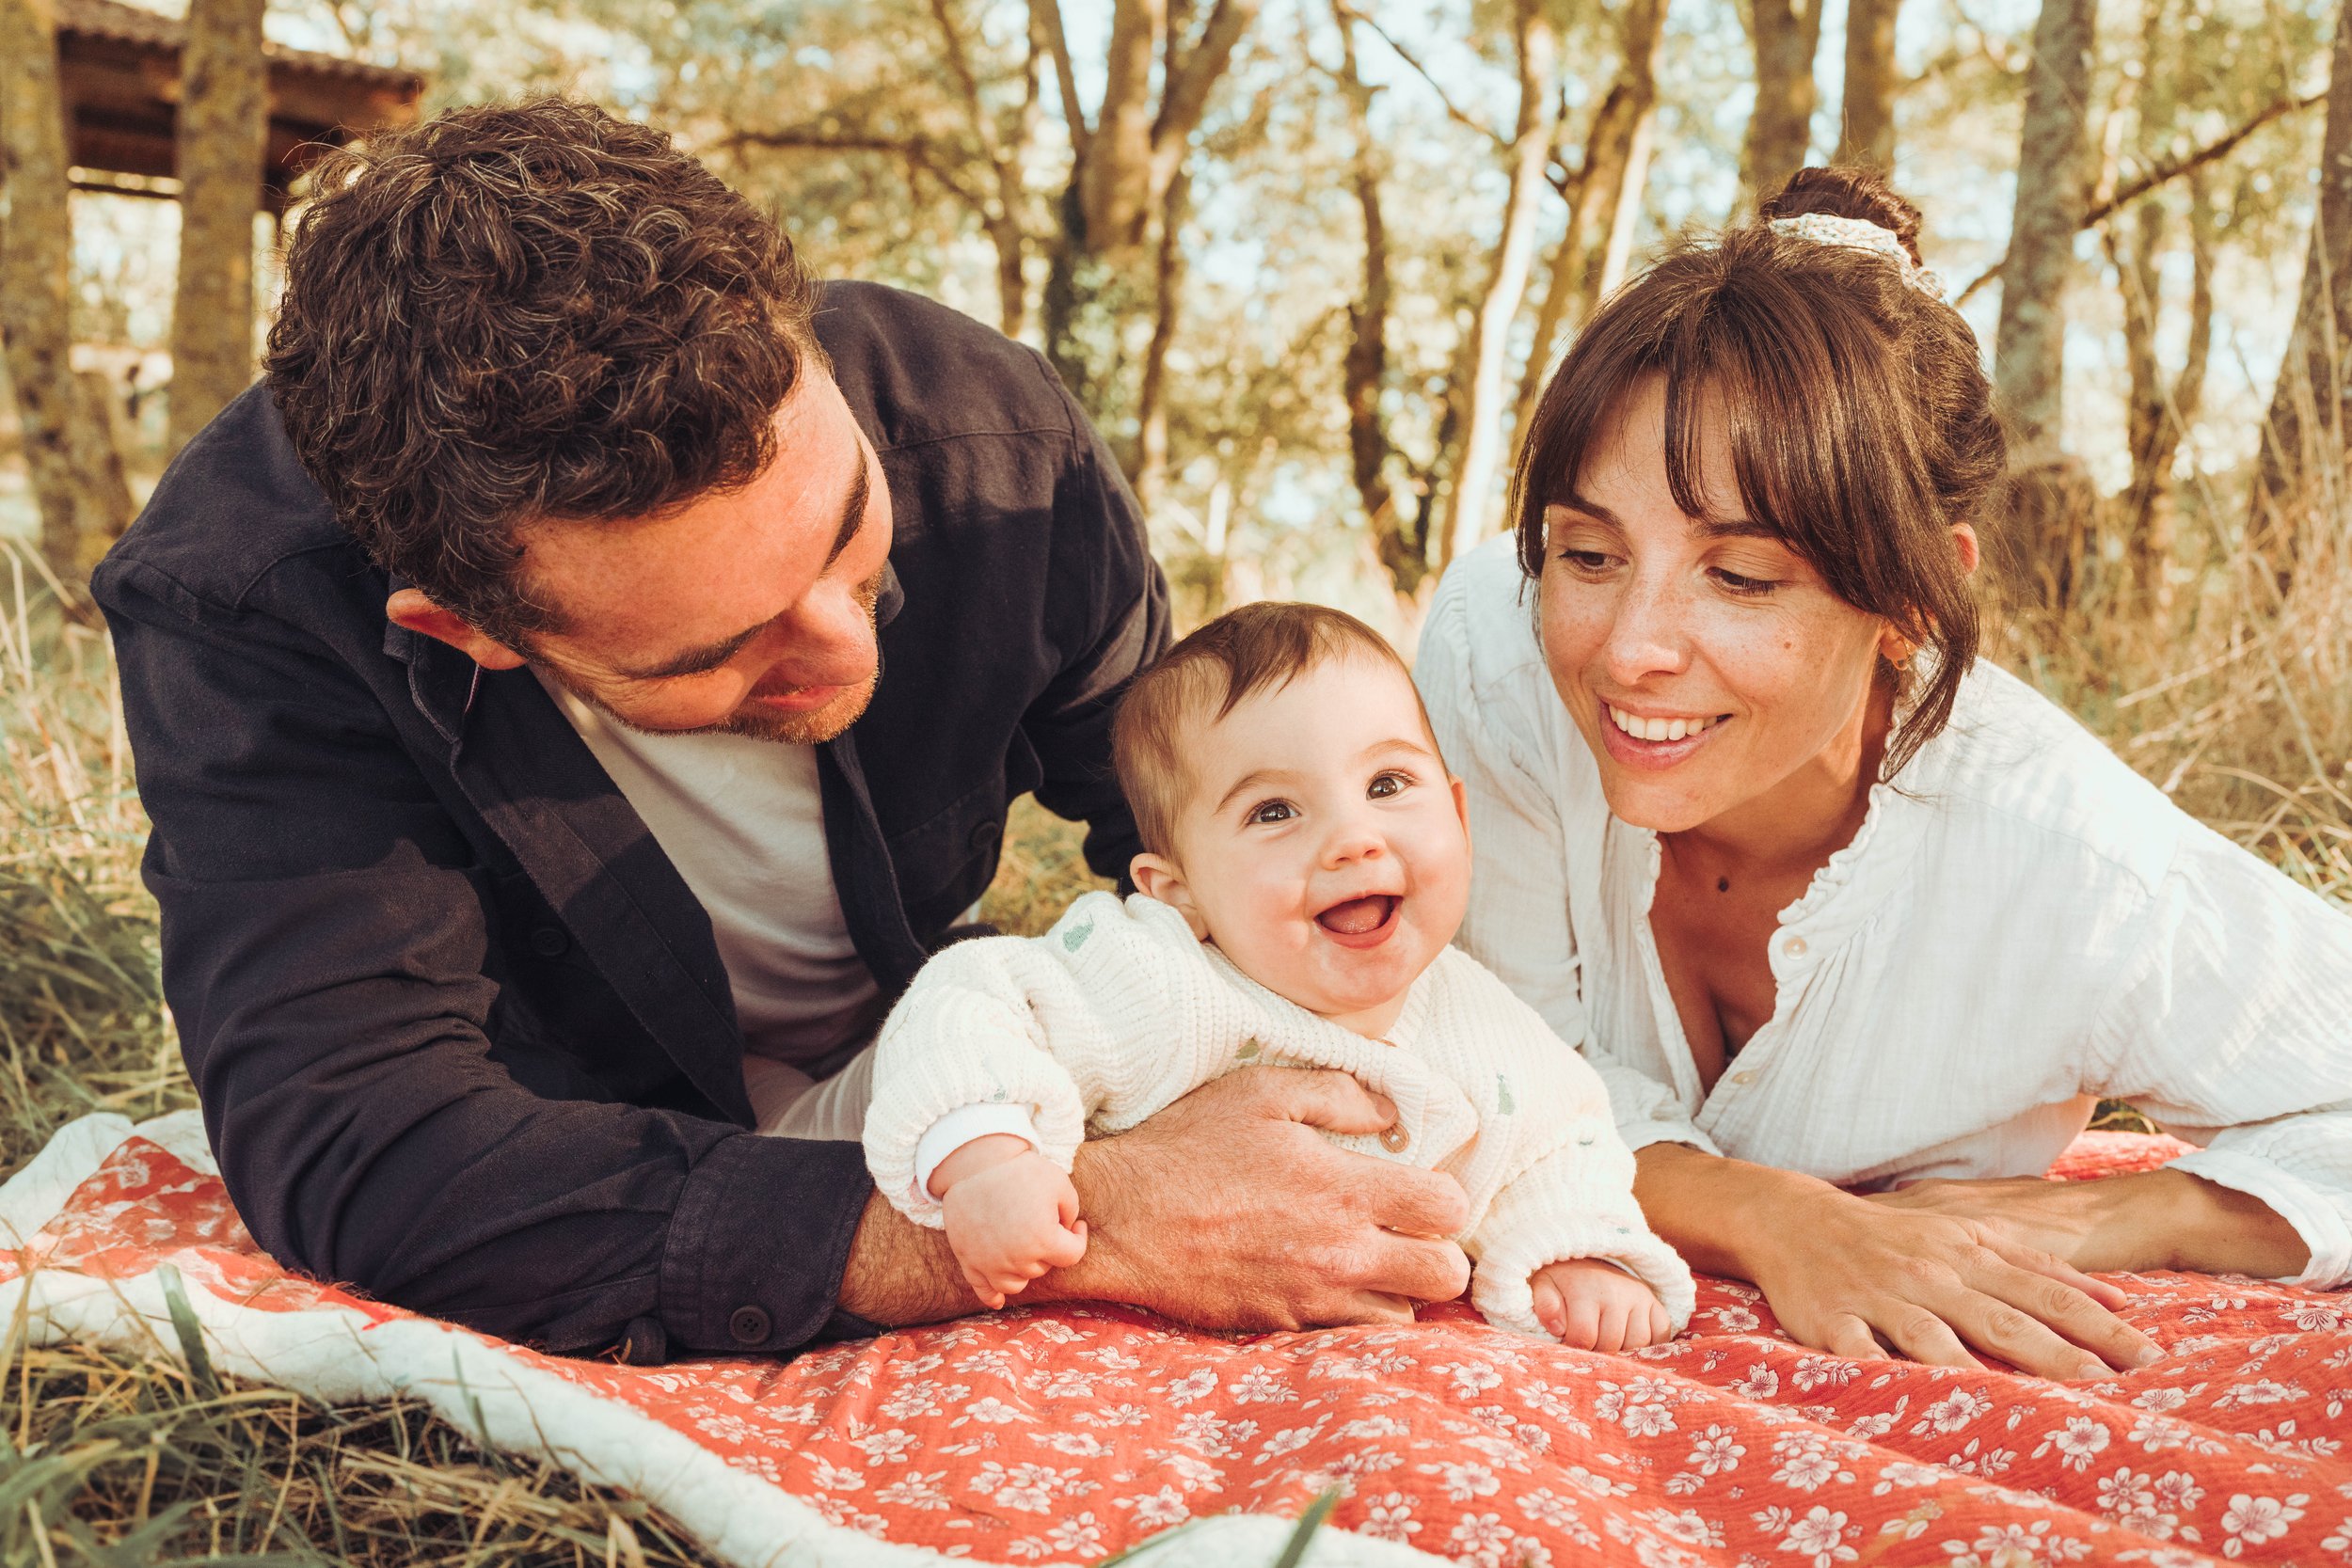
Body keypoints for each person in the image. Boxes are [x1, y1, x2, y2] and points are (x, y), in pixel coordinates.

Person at [93, 99, 1477, 1362]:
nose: (844, 641)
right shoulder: (246, 601)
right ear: (470, 628)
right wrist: (1075, 1222)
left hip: (944, 1059)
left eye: (849, 533)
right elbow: (362, 1133)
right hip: (601, 1136)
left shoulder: (993, 437)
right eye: (725, 649)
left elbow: (1191, 831)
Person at [1416, 166, 2352, 1382]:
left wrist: (2129, 1211)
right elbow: (1502, 1062)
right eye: (1589, 552)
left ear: (1918, 594)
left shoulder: (2067, 859)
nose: (1629, 646)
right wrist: (1774, 1214)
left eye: (1741, 577)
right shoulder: (1501, 646)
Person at [859, 604, 1695, 1350]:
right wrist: (987, 1158)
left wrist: (1575, 1247)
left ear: (1459, 818)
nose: (1352, 837)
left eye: (1387, 784)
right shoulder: (1162, 977)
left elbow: (1557, 1141)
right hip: (1122, 1356)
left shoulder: (1481, 1022)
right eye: (1274, 812)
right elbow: (974, 998)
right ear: (1177, 891)